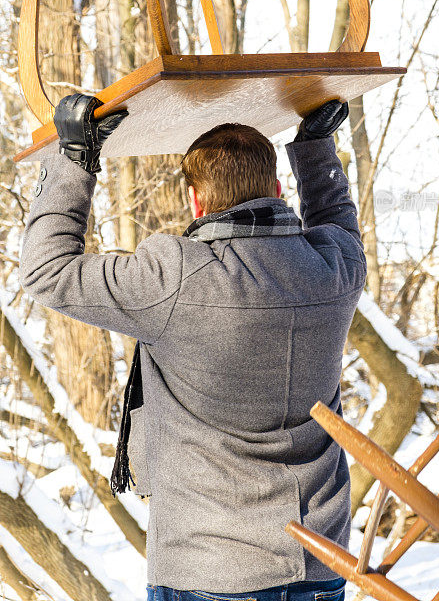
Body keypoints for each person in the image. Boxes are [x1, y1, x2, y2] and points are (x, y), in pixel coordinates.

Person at [19, 94, 367, 601]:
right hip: (320, 562)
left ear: (197, 201)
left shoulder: (175, 277)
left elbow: (47, 271)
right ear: (274, 189)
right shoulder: (334, 269)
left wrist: (75, 159)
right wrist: (315, 149)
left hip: (210, 572)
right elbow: (337, 220)